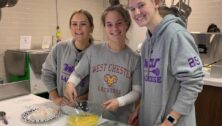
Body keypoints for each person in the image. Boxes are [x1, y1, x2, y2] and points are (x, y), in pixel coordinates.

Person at [127, 0, 204, 126]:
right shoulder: (146, 44)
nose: (137, 12)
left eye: (141, 5)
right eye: (132, 9)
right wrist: (140, 109)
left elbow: (193, 83)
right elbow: (151, 84)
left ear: (156, 2)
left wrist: (170, 121)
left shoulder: (176, 35)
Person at [64, 5, 141, 123]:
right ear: (105, 27)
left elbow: (137, 92)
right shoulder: (93, 51)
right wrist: (70, 84)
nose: (114, 28)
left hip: (120, 119)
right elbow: (77, 74)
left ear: (127, 24)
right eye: (109, 24)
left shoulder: (135, 59)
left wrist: (119, 101)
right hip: (93, 117)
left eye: (119, 23)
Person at [41, 9, 94, 105]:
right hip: (57, 105)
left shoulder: (96, 54)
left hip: (83, 110)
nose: (78, 28)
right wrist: (56, 98)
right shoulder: (60, 48)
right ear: (70, 27)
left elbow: (97, 89)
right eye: (74, 24)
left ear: (91, 28)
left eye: (83, 24)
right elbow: (47, 74)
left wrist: (77, 101)